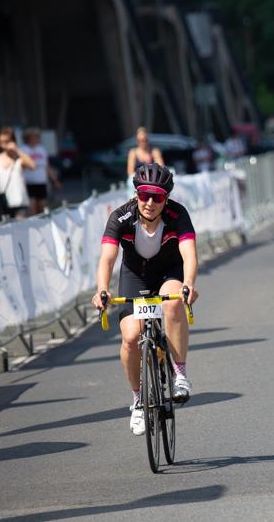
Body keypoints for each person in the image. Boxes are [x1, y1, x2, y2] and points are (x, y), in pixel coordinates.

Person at [92, 163, 199, 435]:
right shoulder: (121, 217)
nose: (150, 202)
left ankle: (180, 374)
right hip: (135, 276)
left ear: (167, 198)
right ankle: (138, 401)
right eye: (144, 195)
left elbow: (189, 254)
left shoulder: (177, 215)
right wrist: (103, 289)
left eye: (158, 197)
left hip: (169, 272)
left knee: (172, 303)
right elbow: (107, 258)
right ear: (136, 194)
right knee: (130, 338)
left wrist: (188, 283)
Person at [0, 126, 35, 219]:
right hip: (3, 203)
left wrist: (17, 150)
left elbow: (32, 166)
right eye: (2, 142)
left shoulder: (19, 159)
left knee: (20, 226)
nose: (4, 145)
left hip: (19, 202)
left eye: (7, 142)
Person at [21, 127, 63, 216]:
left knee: (42, 207)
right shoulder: (23, 149)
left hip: (41, 182)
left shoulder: (41, 149)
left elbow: (47, 166)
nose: (38, 138)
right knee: (32, 208)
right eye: (36, 136)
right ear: (29, 137)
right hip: (29, 183)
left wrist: (55, 181)